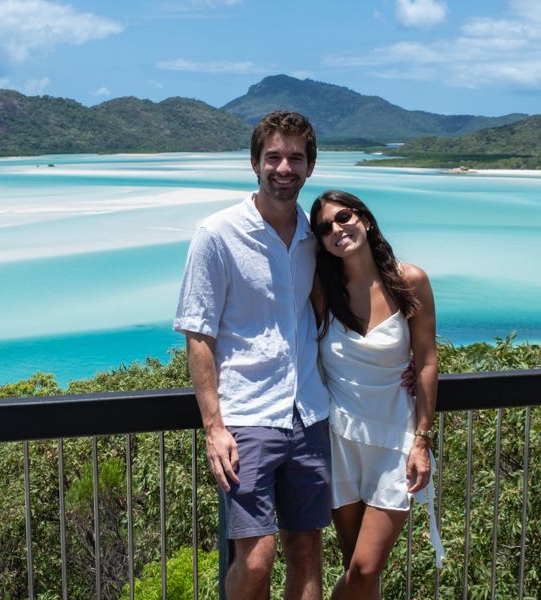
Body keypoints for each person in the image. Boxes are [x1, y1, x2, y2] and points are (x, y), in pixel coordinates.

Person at [173, 111, 331, 600]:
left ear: (310, 167)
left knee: (307, 549)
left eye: (295, 158)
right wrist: (214, 428)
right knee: (257, 556)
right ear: (254, 163)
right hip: (247, 416)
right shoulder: (217, 234)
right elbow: (199, 333)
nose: (284, 168)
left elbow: (348, 304)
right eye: (274, 157)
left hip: (308, 411)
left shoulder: (314, 235)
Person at [310, 190, 445, 600]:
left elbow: (426, 361)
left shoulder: (410, 280)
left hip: (395, 441)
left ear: (365, 220)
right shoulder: (321, 290)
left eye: (344, 217)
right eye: (324, 228)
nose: (337, 229)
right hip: (340, 439)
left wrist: (422, 441)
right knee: (359, 569)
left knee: (366, 567)